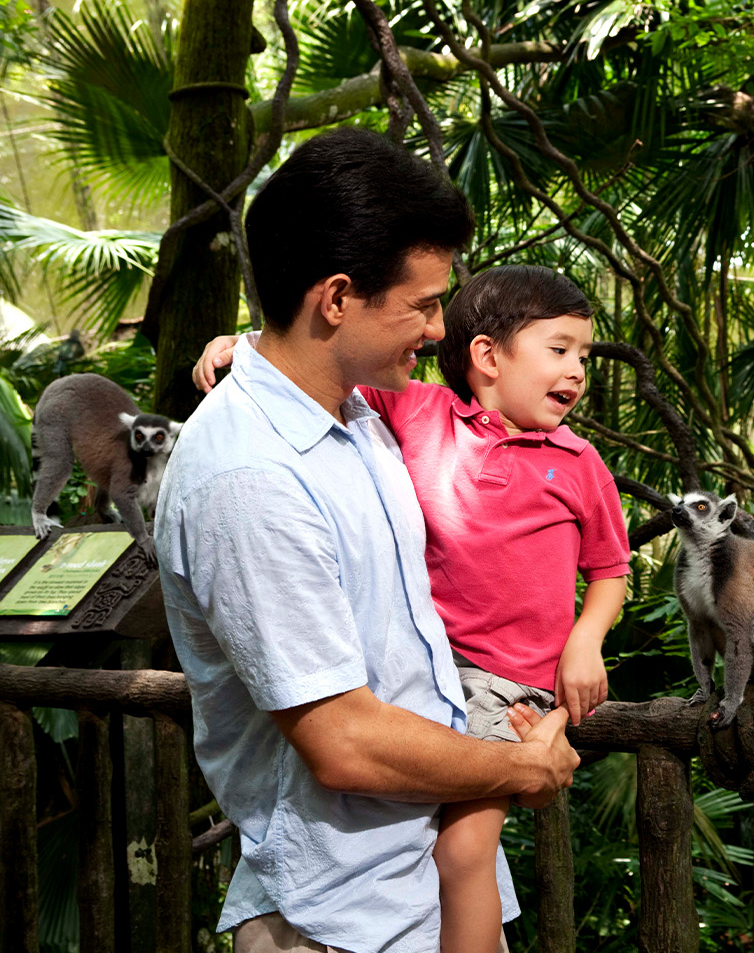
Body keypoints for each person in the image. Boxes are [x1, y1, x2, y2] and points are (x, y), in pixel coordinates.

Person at [158, 126, 581, 953]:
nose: (436, 330)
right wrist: (520, 769)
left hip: (423, 884)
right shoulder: (250, 477)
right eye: (422, 304)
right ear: (337, 297)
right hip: (335, 917)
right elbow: (343, 741)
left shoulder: (356, 414)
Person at [194, 264, 631, 953]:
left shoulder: (578, 462)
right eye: (560, 349)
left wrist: (586, 643)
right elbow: (308, 365)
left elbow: (610, 569)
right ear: (488, 355)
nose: (578, 368)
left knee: (463, 855)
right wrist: (241, 344)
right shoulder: (420, 411)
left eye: (583, 354)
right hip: (423, 683)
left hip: (505, 682)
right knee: (452, 855)